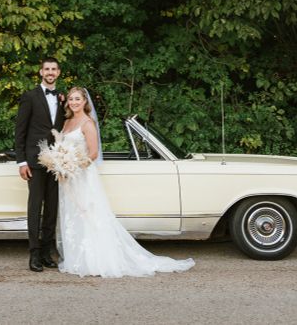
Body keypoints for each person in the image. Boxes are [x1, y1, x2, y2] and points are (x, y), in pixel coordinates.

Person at [56, 87, 195, 278]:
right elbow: (62, 146)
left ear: (85, 102)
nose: (74, 102)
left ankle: (95, 261)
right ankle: (77, 259)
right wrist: (61, 164)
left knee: (89, 215)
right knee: (74, 216)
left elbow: (94, 153)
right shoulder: (67, 121)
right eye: (71, 99)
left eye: (78, 99)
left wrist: (72, 166)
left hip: (82, 176)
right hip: (68, 179)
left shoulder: (88, 123)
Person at [15, 57, 66, 272]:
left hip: (57, 163)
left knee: (52, 208)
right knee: (35, 208)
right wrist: (22, 161)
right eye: (47, 69)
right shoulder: (30, 97)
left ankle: (47, 252)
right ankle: (34, 254)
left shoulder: (63, 100)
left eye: (54, 69)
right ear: (40, 72)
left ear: (59, 72)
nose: (50, 72)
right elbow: (20, 131)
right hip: (35, 161)